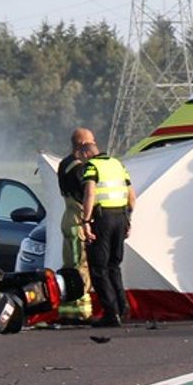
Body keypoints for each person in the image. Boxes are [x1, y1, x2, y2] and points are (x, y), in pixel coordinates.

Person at [80, 140, 136, 328]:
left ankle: (111, 314)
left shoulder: (91, 167)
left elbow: (89, 194)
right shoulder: (117, 164)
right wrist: (128, 218)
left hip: (102, 218)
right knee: (114, 265)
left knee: (98, 267)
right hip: (120, 216)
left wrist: (86, 221)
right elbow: (131, 195)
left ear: (86, 153)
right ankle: (122, 306)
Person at [57, 128, 95, 322]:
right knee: (80, 264)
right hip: (77, 220)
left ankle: (69, 309)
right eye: (91, 143)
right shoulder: (79, 168)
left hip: (69, 218)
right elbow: (87, 194)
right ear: (81, 145)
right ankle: (81, 311)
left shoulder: (64, 164)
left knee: (70, 263)